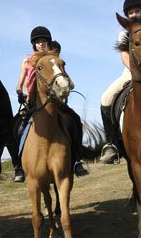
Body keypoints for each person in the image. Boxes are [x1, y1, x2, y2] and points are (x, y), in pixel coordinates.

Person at [16, 27, 88, 178]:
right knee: (16, 128)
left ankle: (77, 161)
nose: (41, 44)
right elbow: (21, 82)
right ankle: (19, 166)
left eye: (44, 41)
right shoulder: (27, 61)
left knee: (75, 121)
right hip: (33, 103)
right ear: (33, 44)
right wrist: (19, 92)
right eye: (37, 42)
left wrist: (66, 85)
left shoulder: (54, 60)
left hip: (56, 103)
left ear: (49, 43)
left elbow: (70, 82)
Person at [100, 0, 141, 164]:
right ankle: (112, 144)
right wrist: (137, 71)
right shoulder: (124, 34)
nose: (134, 15)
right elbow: (124, 55)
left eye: (137, 11)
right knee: (106, 99)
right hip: (131, 73)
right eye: (130, 12)